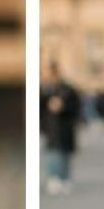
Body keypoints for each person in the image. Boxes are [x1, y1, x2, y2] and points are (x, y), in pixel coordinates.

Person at [40, 61, 82, 195]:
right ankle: (54, 178)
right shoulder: (45, 90)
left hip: (65, 127)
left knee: (63, 155)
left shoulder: (67, 90)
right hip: (51, 128)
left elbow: (75, 107)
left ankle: (64, 178)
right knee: (53, 154)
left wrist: (62, 106)